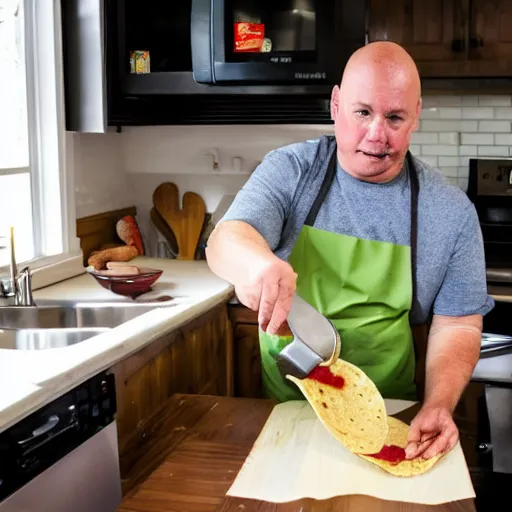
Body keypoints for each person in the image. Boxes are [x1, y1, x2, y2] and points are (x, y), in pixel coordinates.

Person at [205, 41, 494, 461]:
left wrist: (439, 404)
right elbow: (226, 239)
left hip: (392, 416)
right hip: (287, 409)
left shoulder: (450, 212)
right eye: (362, 112)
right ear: (336, 105)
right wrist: (257, 265)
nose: (377, 134)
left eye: (394, 117)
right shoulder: (291, 170)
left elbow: (458, 326)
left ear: (416, 115)